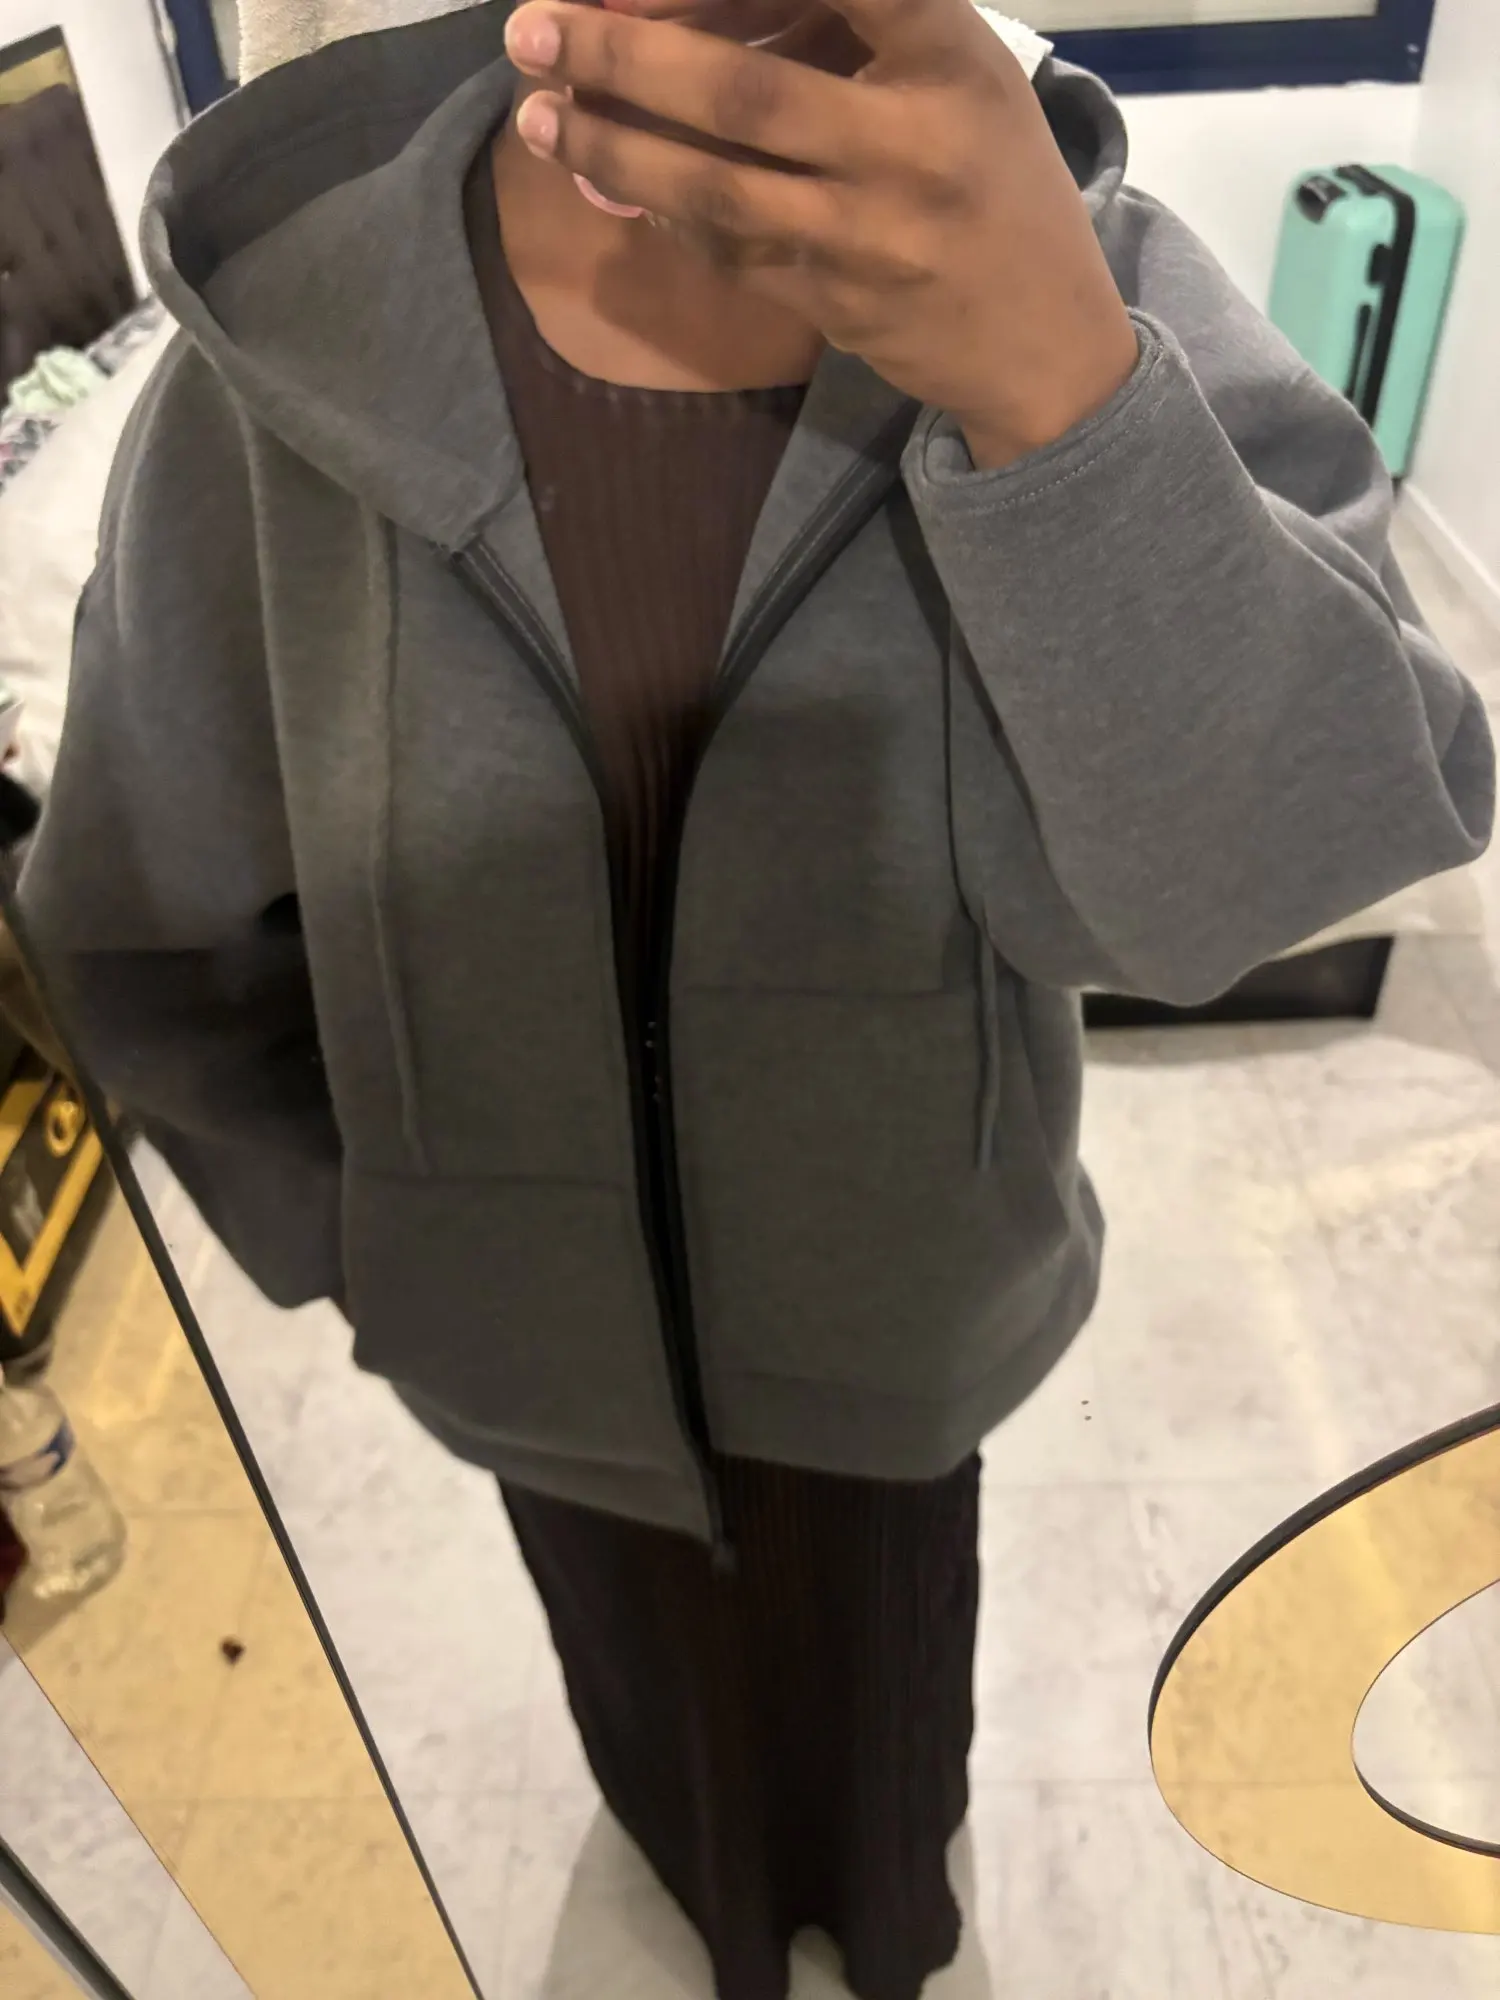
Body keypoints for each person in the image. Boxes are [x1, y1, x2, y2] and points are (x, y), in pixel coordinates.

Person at [19, 2, 1494, 1995]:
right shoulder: (280, 353)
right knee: (656, 1744)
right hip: (538, 1381)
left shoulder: (1089, 274)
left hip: (898, 1350)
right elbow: (144, 924)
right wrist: (385, 1238)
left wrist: (1063, 405)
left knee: (889, 1771)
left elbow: (1277, 863)